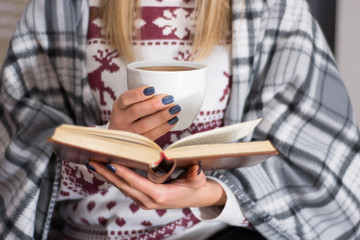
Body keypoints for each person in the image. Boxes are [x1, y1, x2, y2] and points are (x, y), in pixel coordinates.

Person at [1, 0, 359, 239]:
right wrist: (107, 146)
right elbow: (14, 156)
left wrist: (214, 195)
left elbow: (318, 156)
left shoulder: (274, 8)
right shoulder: (59, 8)